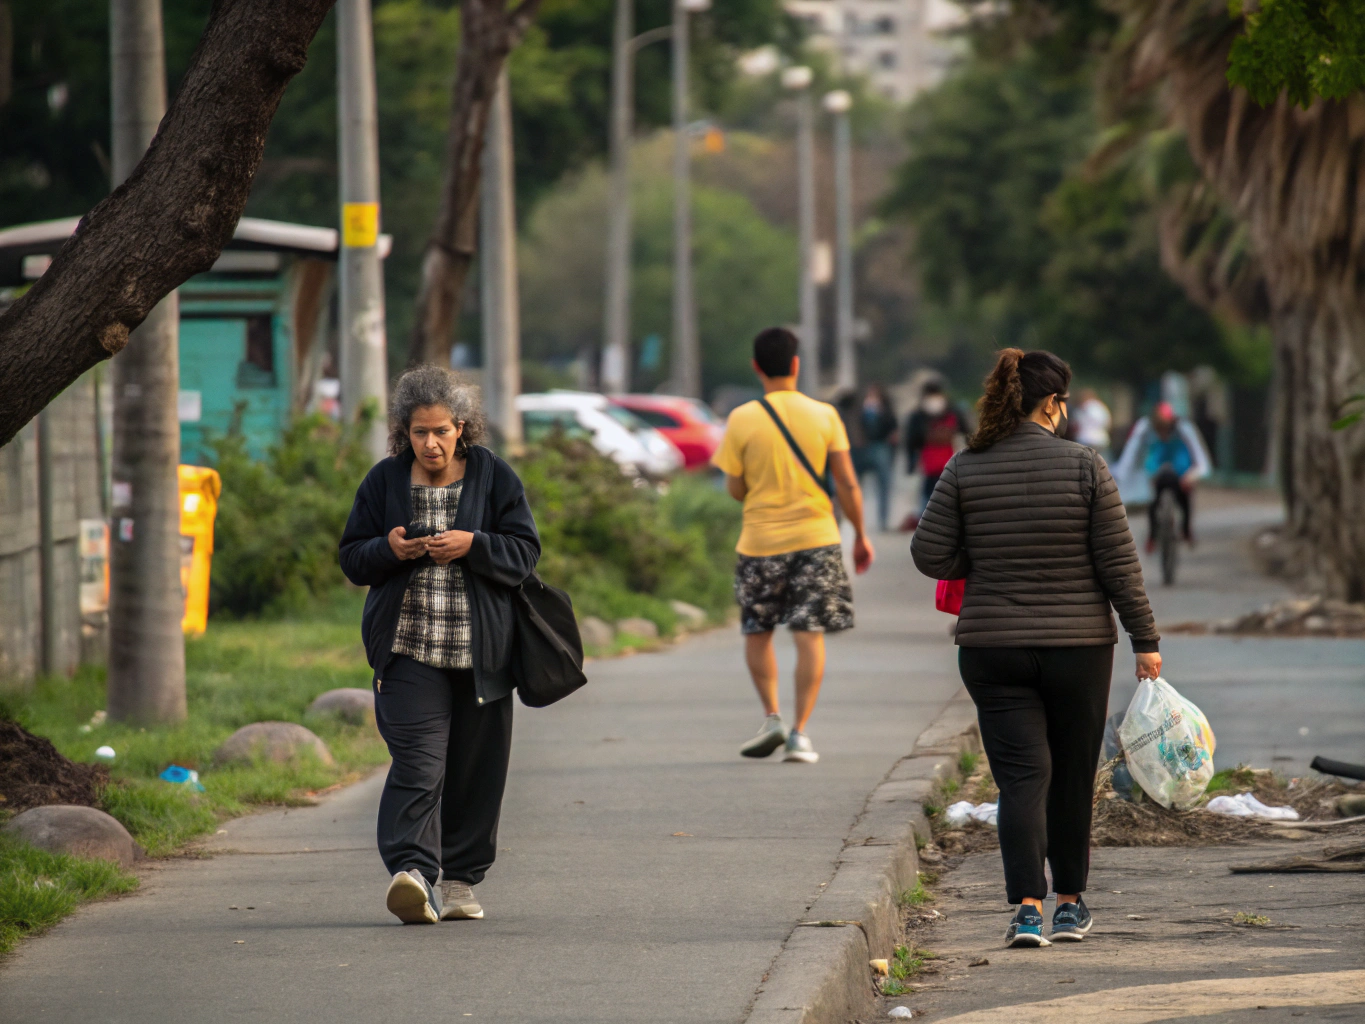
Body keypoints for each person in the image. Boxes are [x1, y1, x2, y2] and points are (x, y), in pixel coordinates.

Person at [910, 348, 1161, 948]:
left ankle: (1026, 910)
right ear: (1051, 403)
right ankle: (1070, 906)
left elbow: (928, 553)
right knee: (1072, 775)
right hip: (1077, 648)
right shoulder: (1085, 466)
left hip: (992, 649)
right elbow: (1118, 565)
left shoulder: (965, 467)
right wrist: (1145, 639)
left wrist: (986, 558)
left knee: (1023, 779)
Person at [339, 365, 540, 925]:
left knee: (477, 772)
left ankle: (458, 882)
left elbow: (525, 552)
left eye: (441, 431)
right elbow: (352, 557)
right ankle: (411, 873)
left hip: (482, 657)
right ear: (404, 431)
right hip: (408, 652)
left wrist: (474, 544)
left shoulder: (494, 477)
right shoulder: (383, 483)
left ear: (462, 427)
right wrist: (388, 549)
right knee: (419, 764)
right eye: (418, 432)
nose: (430, 443)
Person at [713, 327, 875, 765]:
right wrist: (860, 534)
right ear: (796, 365)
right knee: (809, 634)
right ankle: (800, 734)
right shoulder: (824, 415)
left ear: (756, 367)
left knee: (758, 630)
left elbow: (733, 487)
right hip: (816, 538)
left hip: (760, 540)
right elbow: (846, 482)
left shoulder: (742, 418)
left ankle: (772, 717)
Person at [1112, 400, 1211, 550]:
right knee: (1153, 499)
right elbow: (1130, 455)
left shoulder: (1184, 428)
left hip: (1181, 469)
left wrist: (1193, 475)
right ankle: (1152, 536)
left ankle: (1186, 530)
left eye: (1166, 428)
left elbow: (1201, 460)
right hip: (1157, 469)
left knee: (1185, 495)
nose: (1163, 433)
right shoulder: (1145, 427)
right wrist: (1118, 476)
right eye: (1159, 429)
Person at [902, 381, 969, 529]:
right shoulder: (921, 415)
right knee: (935, 493)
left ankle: (930, 523)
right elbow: (912, 440)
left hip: (942, 462)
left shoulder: (950, 412)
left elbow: (911, 441)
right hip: (937, 464)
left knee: (932, 494)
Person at [1072, 388, 1112, 453]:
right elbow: (1107, 423)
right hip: (1101, 440)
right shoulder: (1101, 407)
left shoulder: (1082, 407)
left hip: (1085, 439)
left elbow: (1076, 424)